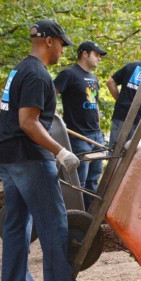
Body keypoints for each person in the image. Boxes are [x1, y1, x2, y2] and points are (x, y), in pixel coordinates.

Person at [0, 19, 99, 281]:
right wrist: (60, 151)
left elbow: (10, 114)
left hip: (6, 152)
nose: (62, 52)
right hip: (27, 155)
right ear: (49, 41)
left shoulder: (20, 68)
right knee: (53, 220)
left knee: (18, 222)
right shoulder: (38, 75)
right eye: (62, 45)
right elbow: (28, 122)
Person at [54, 41, 108, 209]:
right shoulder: (69, 74)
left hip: (96, 135)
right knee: (79, 180)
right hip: (78, 136)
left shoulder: (93, 78)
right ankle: (76, 215)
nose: (99, 58)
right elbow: (49, 95)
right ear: (85, 54)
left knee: (94, 178)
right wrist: (55, 117)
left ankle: (90, 215)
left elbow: (95, 103)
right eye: (96, 54)